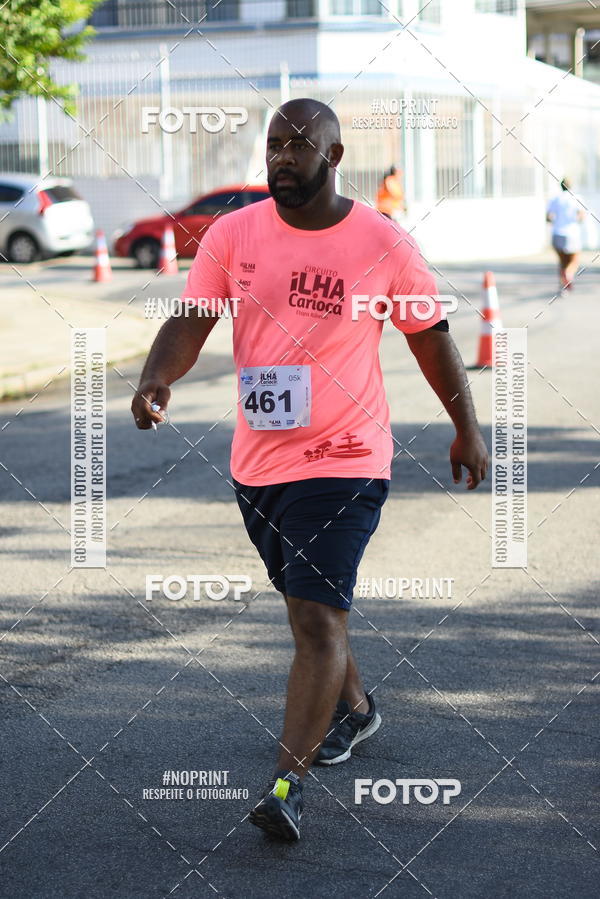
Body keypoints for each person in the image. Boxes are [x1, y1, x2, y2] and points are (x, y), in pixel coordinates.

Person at [131, 98, 488, 842]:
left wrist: (466, 427)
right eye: (274, 145)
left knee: (318, 615)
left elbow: (430, 336)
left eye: (299, 146)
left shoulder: (383, 243)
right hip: (259, 463)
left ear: (333, 157)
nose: (283, 158)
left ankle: (287, 784)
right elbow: (193, 317)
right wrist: (157, 377)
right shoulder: (234, 233)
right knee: (307, 605)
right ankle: (355, 709)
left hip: (349, 457)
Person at [546, 177, 586, 290]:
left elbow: (548, 218)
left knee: (562, 262)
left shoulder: (555, 199)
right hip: (572, 234)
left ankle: (563, 286)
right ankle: (568, 275)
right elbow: (581, 216)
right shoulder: (576, 198)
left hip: (557, 234)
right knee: (574, 261)